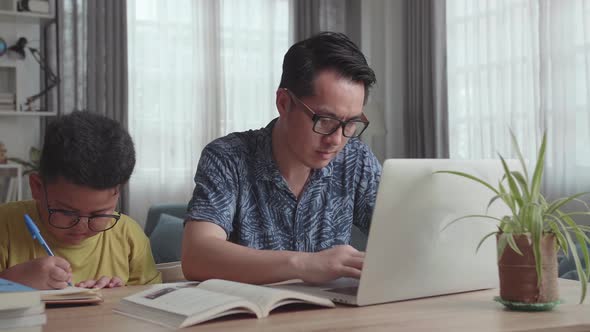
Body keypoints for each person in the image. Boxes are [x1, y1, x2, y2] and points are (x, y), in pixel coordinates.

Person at [182, 32, 381, 285]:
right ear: (284, 103)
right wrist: (304, 264)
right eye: (326, 121)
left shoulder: (357, 160)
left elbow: (402, 235)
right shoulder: (228, 158)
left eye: (351, 123)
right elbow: (197, 256)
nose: (336, 139)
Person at [0, 111, 161, 289]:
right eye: (66, 212)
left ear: (118, 195)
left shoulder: (129, 237)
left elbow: (152, 304)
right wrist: (13, 282)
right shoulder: (5, 226)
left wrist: (117, 298)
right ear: (37, 187)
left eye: (99, 214)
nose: (81, 226)